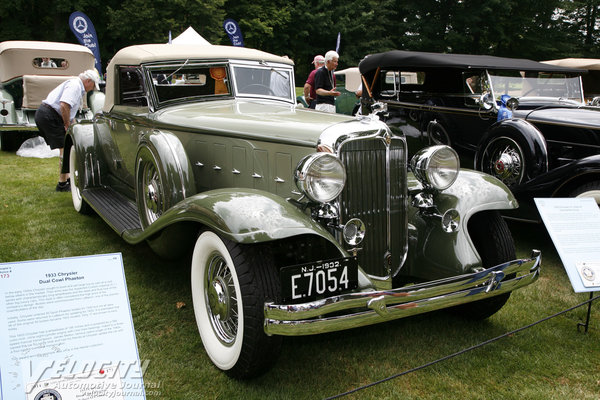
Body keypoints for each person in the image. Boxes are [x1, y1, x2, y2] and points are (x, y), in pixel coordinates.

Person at [34, 69, 100, 191]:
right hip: (50, 116)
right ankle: (62, 184)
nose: (92, 89)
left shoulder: (77, 86)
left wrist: (73, 127)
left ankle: (68, 179)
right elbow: (64, 105)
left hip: (50, 115)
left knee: (67, 148)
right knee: (64, 149)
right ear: (88, 81)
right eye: (93, 85)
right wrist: (67, 125)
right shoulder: (75, 86)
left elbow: (70, 112)